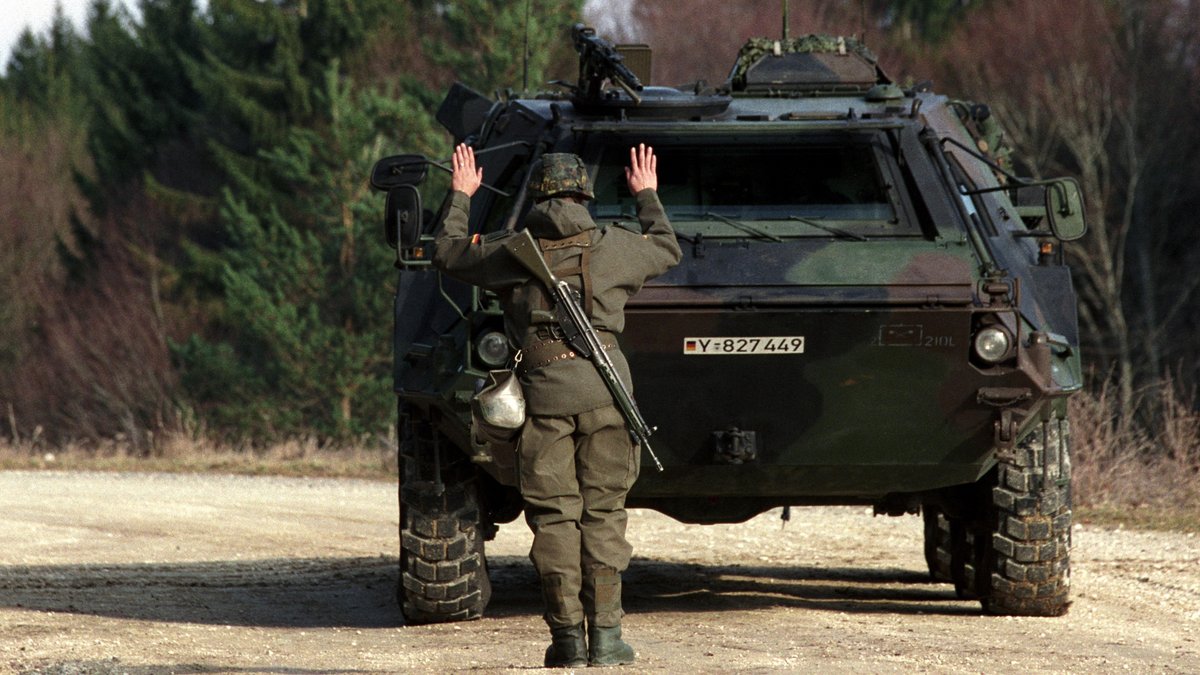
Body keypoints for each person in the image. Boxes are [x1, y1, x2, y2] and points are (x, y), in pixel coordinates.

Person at [433, 143, 681, 667]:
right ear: (584, 195)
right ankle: (609, 639)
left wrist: (461, 195)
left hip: (544, 401)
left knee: (554, 520)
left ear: (538, 199)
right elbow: (667, 247)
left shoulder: (511, 251)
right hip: (607, 396)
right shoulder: (616, 247)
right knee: (604, 515)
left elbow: (448, 251)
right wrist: (647, 194)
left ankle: (567, 640)